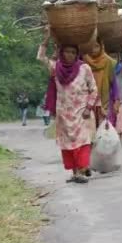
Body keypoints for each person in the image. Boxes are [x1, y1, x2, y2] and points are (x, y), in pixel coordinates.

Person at [38, 30, 98, 184]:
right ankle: (74, 173)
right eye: (66, 51)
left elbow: (93, 89)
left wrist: (88, 108)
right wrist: (46, 39)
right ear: (61, 53)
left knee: (83, 142)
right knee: (68, 144)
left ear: (77, 53)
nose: (69, 55)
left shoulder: (84, 68)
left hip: (81, 113)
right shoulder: (56, 68)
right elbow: (41, 57)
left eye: (73, 52)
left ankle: (82, 171)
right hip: (63, 114)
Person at [83, 38, 118, 128]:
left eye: (96, 46)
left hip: (103, 102)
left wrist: (116, 100)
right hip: (86, 102)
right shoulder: (83, 61)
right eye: (91, 46)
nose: (93, 49)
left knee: (102, 131)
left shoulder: (108, 62)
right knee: (88, 130)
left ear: (101, 47)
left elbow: (114, 83)